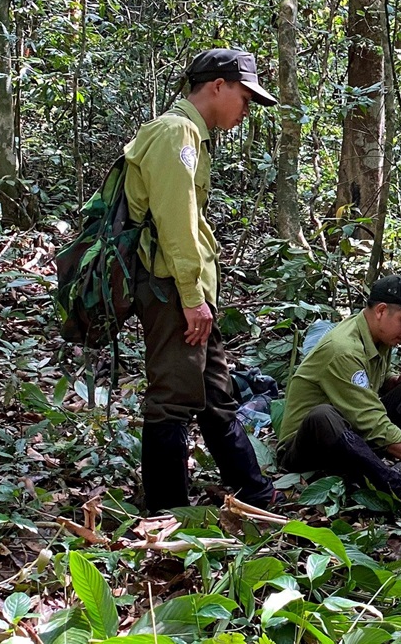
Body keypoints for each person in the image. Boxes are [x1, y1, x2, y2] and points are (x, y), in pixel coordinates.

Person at [124, 48, 279, 514]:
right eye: (244, 97)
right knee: (172, 399)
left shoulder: (189, 136)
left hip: (186, 291)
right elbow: (177, 224)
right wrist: (193, 298)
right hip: (171, 288)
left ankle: (254, 491)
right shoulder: (176, 135)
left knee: (215, 394)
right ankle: (165, 511)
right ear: (218, 86)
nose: (246, 109)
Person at [278, 275, 401, 522]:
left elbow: (366, 385)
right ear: (381, 310)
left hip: (350, 435)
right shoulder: (343, 348)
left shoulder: (379, 337)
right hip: (307, 450)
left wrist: (392, 380)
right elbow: (371, 421)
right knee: (322, 416)